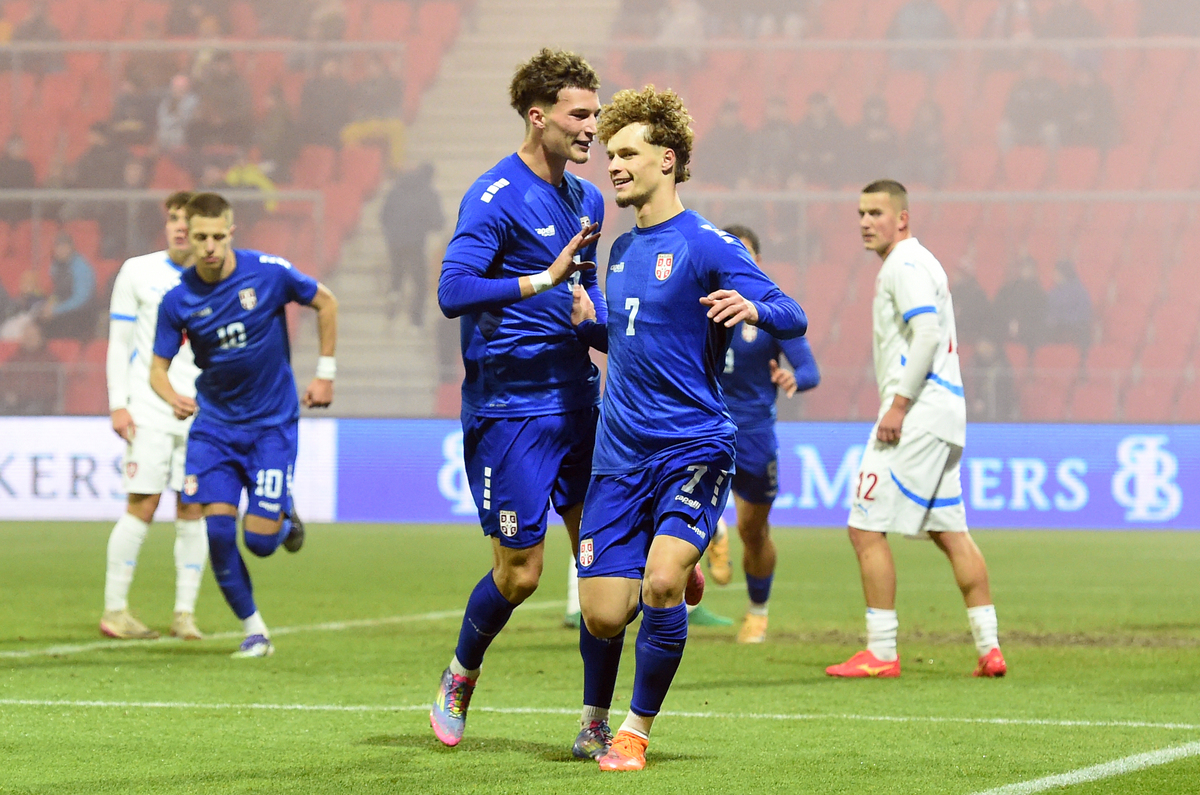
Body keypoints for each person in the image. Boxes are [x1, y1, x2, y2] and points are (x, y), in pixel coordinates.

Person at [574, 86, 807, 772]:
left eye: (627, 153)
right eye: (609, 153)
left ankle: (633, 731)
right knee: (603, 615)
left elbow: (790, 309)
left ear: (667, 160)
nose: (612, 165)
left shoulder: (709, 243)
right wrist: (586, 321)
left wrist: (754, 305)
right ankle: (598, 701)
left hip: (691, 444)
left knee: (662, 584)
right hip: (619, 453)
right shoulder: (618, 250)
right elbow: (631, 338)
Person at [429, 48, 608, 750]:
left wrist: (607, 325)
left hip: (579, 403)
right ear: (539, 117)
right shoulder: (493, 196)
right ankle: (461, 672)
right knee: (522, 573)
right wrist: (540, 280)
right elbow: (453, 292)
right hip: (511, 412)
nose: (593, 126)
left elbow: (582, 298)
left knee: (604, 568)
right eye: (581, 113)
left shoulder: (588, 198)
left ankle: (595, 723)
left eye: (596, 113)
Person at [825, 180, 1005, 680]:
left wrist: (899, 405)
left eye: (877, 212)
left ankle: (881, 652)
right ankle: (990, 647)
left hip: (918, 413)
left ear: (902, 217)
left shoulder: (902, 264)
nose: (865, 221)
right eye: (861, 212)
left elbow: (927, 332)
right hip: (947, 413)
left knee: (864, 525)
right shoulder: (924, 261)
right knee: (950, 531)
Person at [150, 192, 339, 658]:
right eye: (200, 238)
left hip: (271, 426)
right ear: (187, 238)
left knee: (258, 542)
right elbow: (157, 366)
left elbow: (327, 302)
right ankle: (255, 631)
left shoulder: (268, 272)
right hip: (214, 429)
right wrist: (169, 394)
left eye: (218, 236)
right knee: (215, 531)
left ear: (231, 232)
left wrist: (325, 373)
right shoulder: (177, 300)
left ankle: (282, 512)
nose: (210, 246)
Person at [101, 191, 208, 641]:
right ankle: (115, 610)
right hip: (148, 410)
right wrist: (118, 402)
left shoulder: (217, 278)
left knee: (193, 506)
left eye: (189, 220)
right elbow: (119, 343)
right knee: (142, 504)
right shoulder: (138, 271)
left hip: (201, 415)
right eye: (174, 219)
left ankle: (184, 614)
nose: (180, 227)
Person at [714, 224, 820, 644]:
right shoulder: (697, 305)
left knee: (754, 532)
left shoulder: (771, 312)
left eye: (746, 255)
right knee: (676, 502)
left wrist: (795, 379)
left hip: (755, 434)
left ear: (756, 263)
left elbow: (810, 369)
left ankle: (757, 612)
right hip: (706, 427)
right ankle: (710, 531)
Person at [379, 162, 444, 328]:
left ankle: (393, 297)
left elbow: (383, 215)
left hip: (394, 241)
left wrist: (392, 233)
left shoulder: (396, 189)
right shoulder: (428, 193)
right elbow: (438, 222)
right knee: (420, 282)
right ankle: (416, 320)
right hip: (416, 242)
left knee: (397, 274)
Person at [40, 233, 97, 341]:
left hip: (82, 312)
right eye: (57, 247)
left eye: (64, 247)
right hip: (62, 308)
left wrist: (56, 310)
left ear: (71, 248)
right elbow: (56, 292)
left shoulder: (81, 267)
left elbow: (81, 299)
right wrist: (50, 305)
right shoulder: (55, 266)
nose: (60, 250)